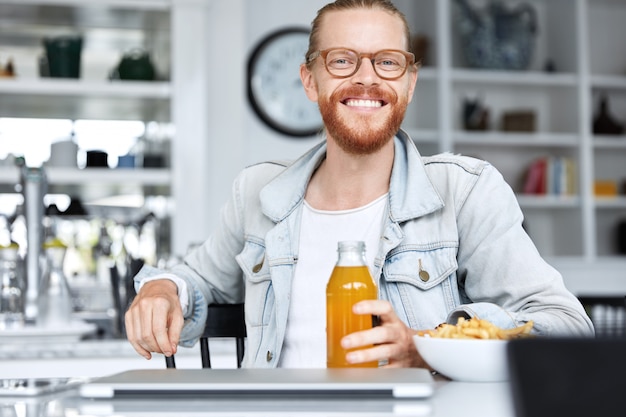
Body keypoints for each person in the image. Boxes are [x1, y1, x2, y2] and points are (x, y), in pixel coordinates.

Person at [125, 0, 594, 368]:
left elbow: (569, 327)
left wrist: (434, 349)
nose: (367, 78)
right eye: (342, 60)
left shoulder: (465, 192)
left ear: (410, 82)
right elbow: (198, 280)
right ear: (310, 80)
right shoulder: (257, 193)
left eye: (387, 62)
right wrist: (164, 289)